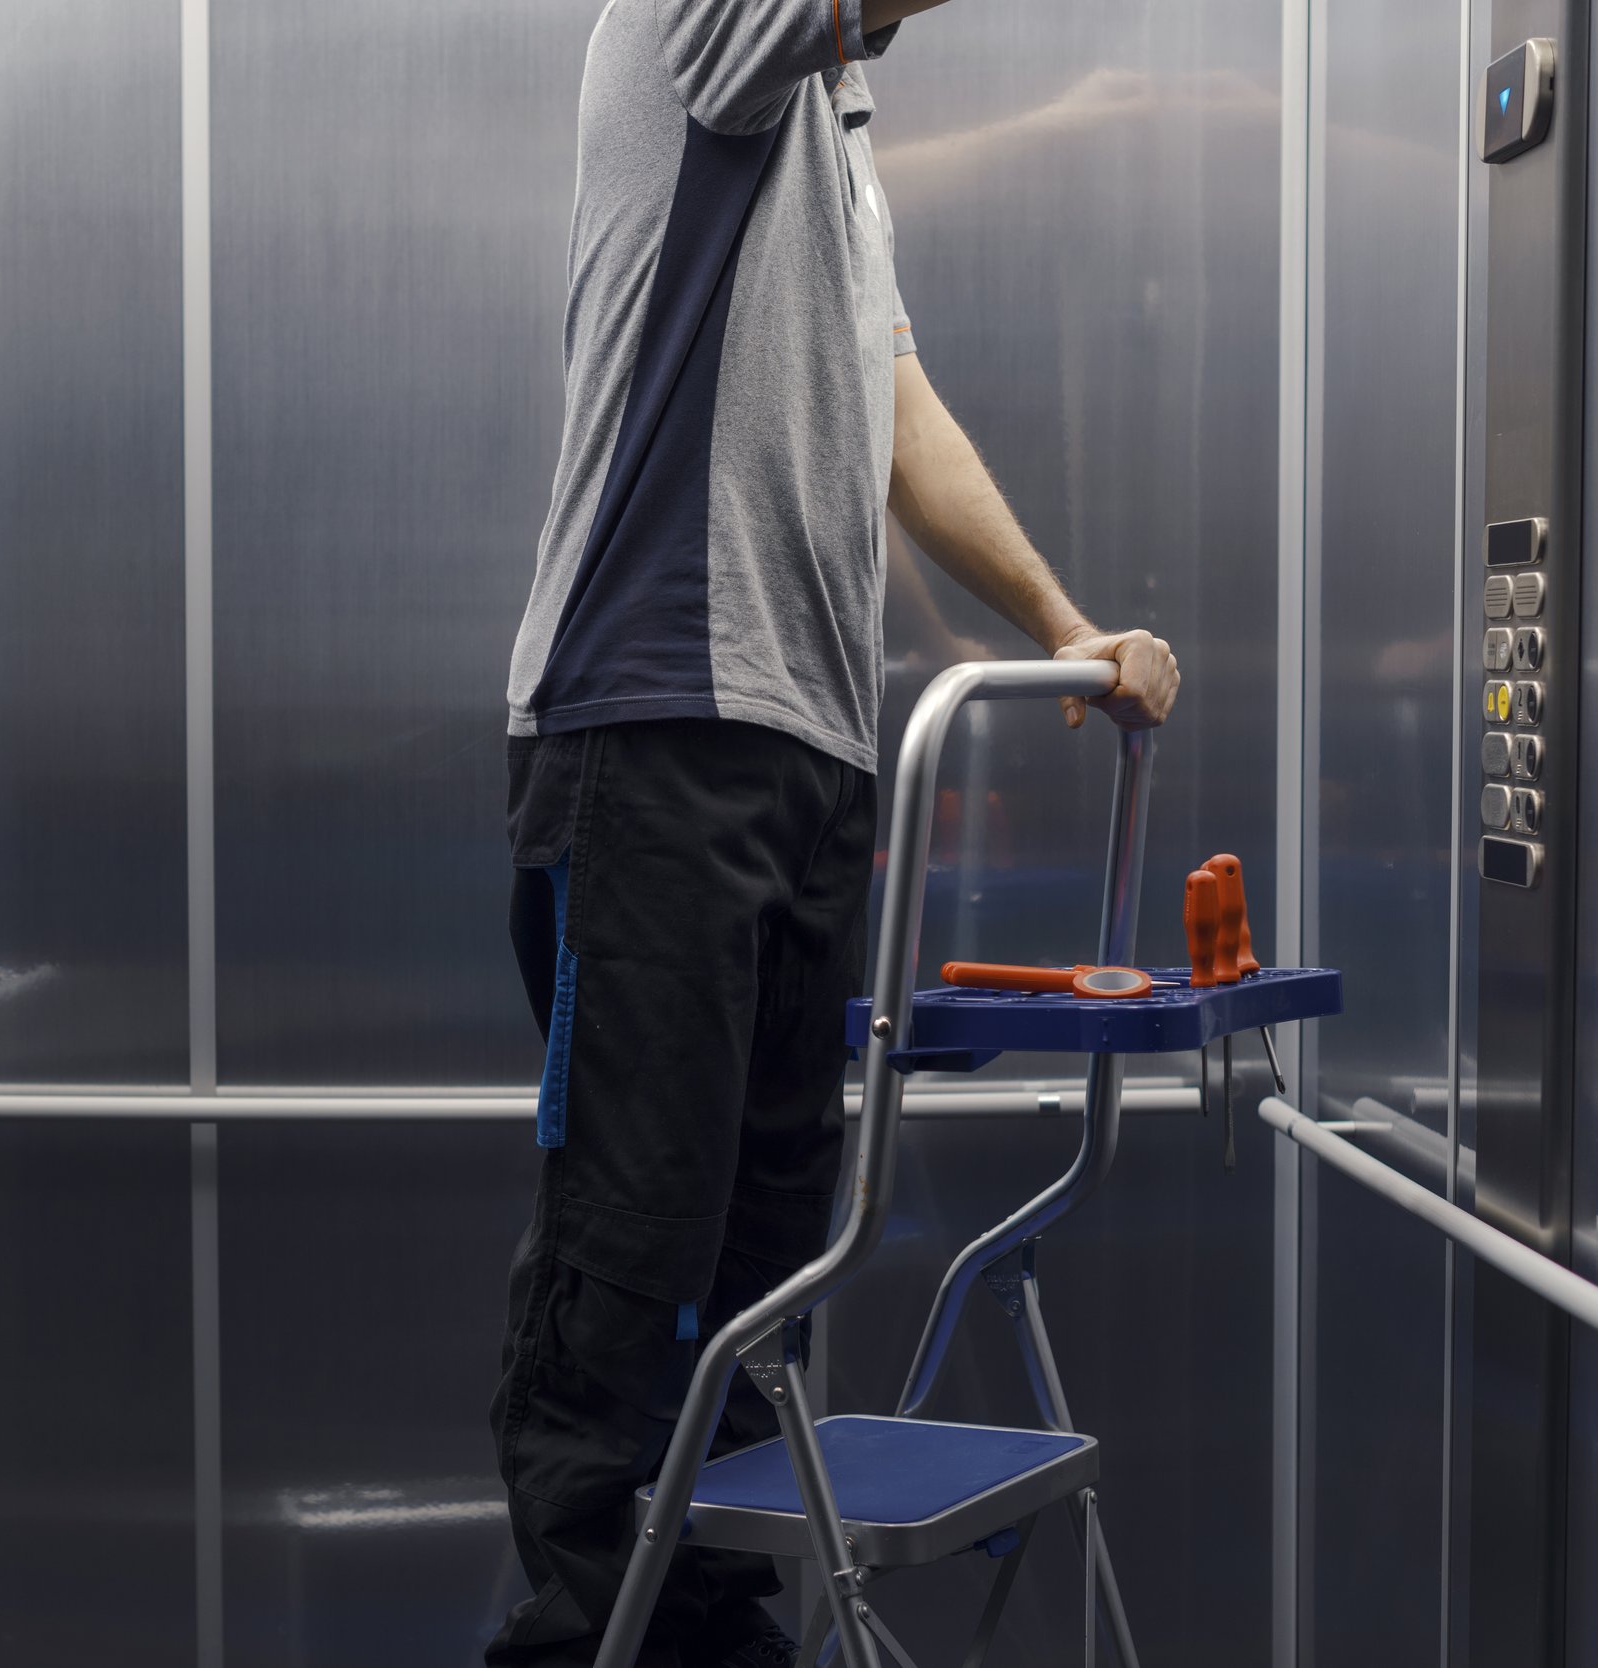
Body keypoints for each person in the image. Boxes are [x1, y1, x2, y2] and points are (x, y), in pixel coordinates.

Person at [488, 2, 1181, 1664]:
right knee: (630, 1279)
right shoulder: (696, 27)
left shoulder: (844, 155)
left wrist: (1066, 631)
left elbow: (894, 411)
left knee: (756, 1298)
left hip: (810, 755)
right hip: (651, 730)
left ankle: (717, 1643)